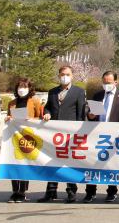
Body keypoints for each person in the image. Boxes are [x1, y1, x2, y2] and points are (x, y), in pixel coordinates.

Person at [38, 66, 86, 203]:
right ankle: (51, 192)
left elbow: (81, 113)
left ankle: (71, 192)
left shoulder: (79, 92)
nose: (65, 76)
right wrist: (47, 112)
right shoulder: (52, 92)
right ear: (59, 75)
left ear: (72, 76)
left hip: (71, 134)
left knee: (68, 164)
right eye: (62, 74)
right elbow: (48, 106)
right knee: (52, 163)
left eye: (68, 74)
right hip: (54, 134)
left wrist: (79, 133)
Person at [83, 71, 119, 203]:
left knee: (111, 165)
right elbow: (90, 112)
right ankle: (90, 192)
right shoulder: (98, 95)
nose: (106, 85)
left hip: (114, 135)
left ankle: (111, 191)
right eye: (104, 82)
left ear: (116, 82)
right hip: (97, 135)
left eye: (109, 83)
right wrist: (90, 115)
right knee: (92, 163)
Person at [5, 77, 43, 203]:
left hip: (29, 136)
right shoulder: (12, 103)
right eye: (20, 87)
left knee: (25, 163)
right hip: (14, 137)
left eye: (24, 87)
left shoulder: (35, 102)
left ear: (30, 88)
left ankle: (22, 191)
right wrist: (8, 119)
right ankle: (14, 191)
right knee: (13, 162)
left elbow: (40, 117)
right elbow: (8, 117)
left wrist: (31, 120)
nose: (22, 90)